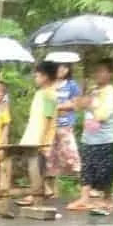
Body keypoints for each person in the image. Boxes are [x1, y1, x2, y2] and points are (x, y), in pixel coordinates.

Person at [68, 58, 113, 214]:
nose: (98, 74)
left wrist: (90, 103)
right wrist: (83, 94)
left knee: (105, 170)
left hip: (104, 137)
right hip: (89, 137)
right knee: (87, 168)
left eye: (102, 71)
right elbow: (78, 106)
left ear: (110, 74)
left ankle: (108, 198)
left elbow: (102, 115)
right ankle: (84, 198)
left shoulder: (110, 92)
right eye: (97, 71)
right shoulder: (93, 89)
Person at [19, 61, 60, 203]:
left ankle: (35, 193)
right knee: (28, 163)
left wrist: (42, 139)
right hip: (32, 134)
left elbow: (48, 117)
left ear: (46, 77)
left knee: (35, 166)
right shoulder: (40, 93)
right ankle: (43, 189)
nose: (35, 78)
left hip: (40, 137)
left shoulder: (49, 95)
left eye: (37, 76)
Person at [46, 55, 83, 196]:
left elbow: (75, 103)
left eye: (65, 67)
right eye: (59, 66)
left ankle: (84, 186)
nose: (61, 69)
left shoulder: (71, 85)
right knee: (50, 156)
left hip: (65, 125)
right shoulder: (49, 84)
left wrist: (59, 106)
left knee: (71, 154)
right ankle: (51, 189)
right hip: (50, 126)